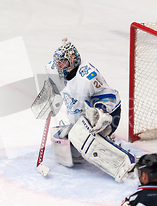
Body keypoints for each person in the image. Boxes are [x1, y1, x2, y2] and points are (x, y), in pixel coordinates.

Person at [45, 38, 135, 181]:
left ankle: (125, 163)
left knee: (82, 138)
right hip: (81, 119)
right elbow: (54, 84)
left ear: (72, 60)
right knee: (65, 145)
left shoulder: (89, 76)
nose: (59, 66)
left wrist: (101, 113)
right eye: (58, 62)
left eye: (63, 63)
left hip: (108, 115)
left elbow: (110, 96)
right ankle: (86, 136)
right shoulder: (52, 68)